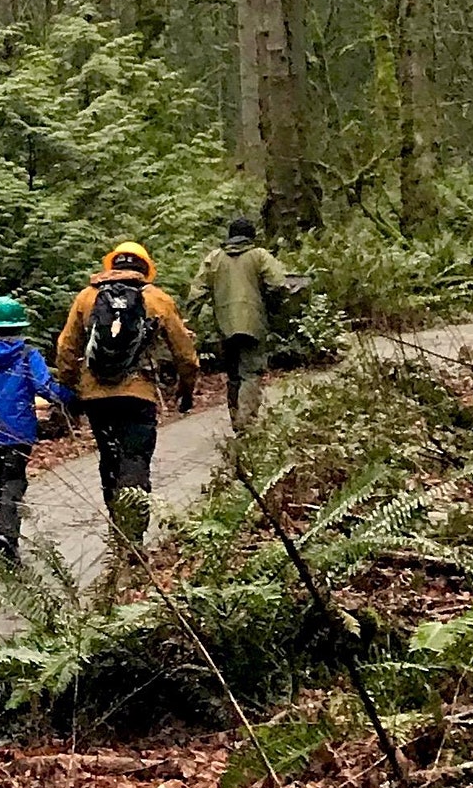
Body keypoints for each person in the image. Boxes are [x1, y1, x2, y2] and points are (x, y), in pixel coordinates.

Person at [53, 241, 200, 554]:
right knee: (135, 459)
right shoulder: (157, 300)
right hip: (139, 395)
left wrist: (70, 388)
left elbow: (66, 348)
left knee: (110, 457)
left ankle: (118, 526)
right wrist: (186, 390)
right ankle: (131, 539)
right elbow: (184, 354)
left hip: (96, 397)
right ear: (145, 268)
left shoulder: (87, 297)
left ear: (111, 266)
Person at [0, 296, 73, 566]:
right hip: (18, 430)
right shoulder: (27, 355)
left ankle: (7, 535)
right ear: (19, 327)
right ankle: (6, 534)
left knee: (2, 479)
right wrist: (70, 397)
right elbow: (45, 388)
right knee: (14, 480)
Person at [188, 217, 298, 432]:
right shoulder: (259, 256)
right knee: (251, 372)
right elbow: (278, 283)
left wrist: (190, 323)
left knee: (233, 374)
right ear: (251, 236)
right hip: (253, 324)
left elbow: (197, 292)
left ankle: (235, 416)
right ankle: (246, 423)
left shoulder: (215, 258)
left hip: (225, 325)